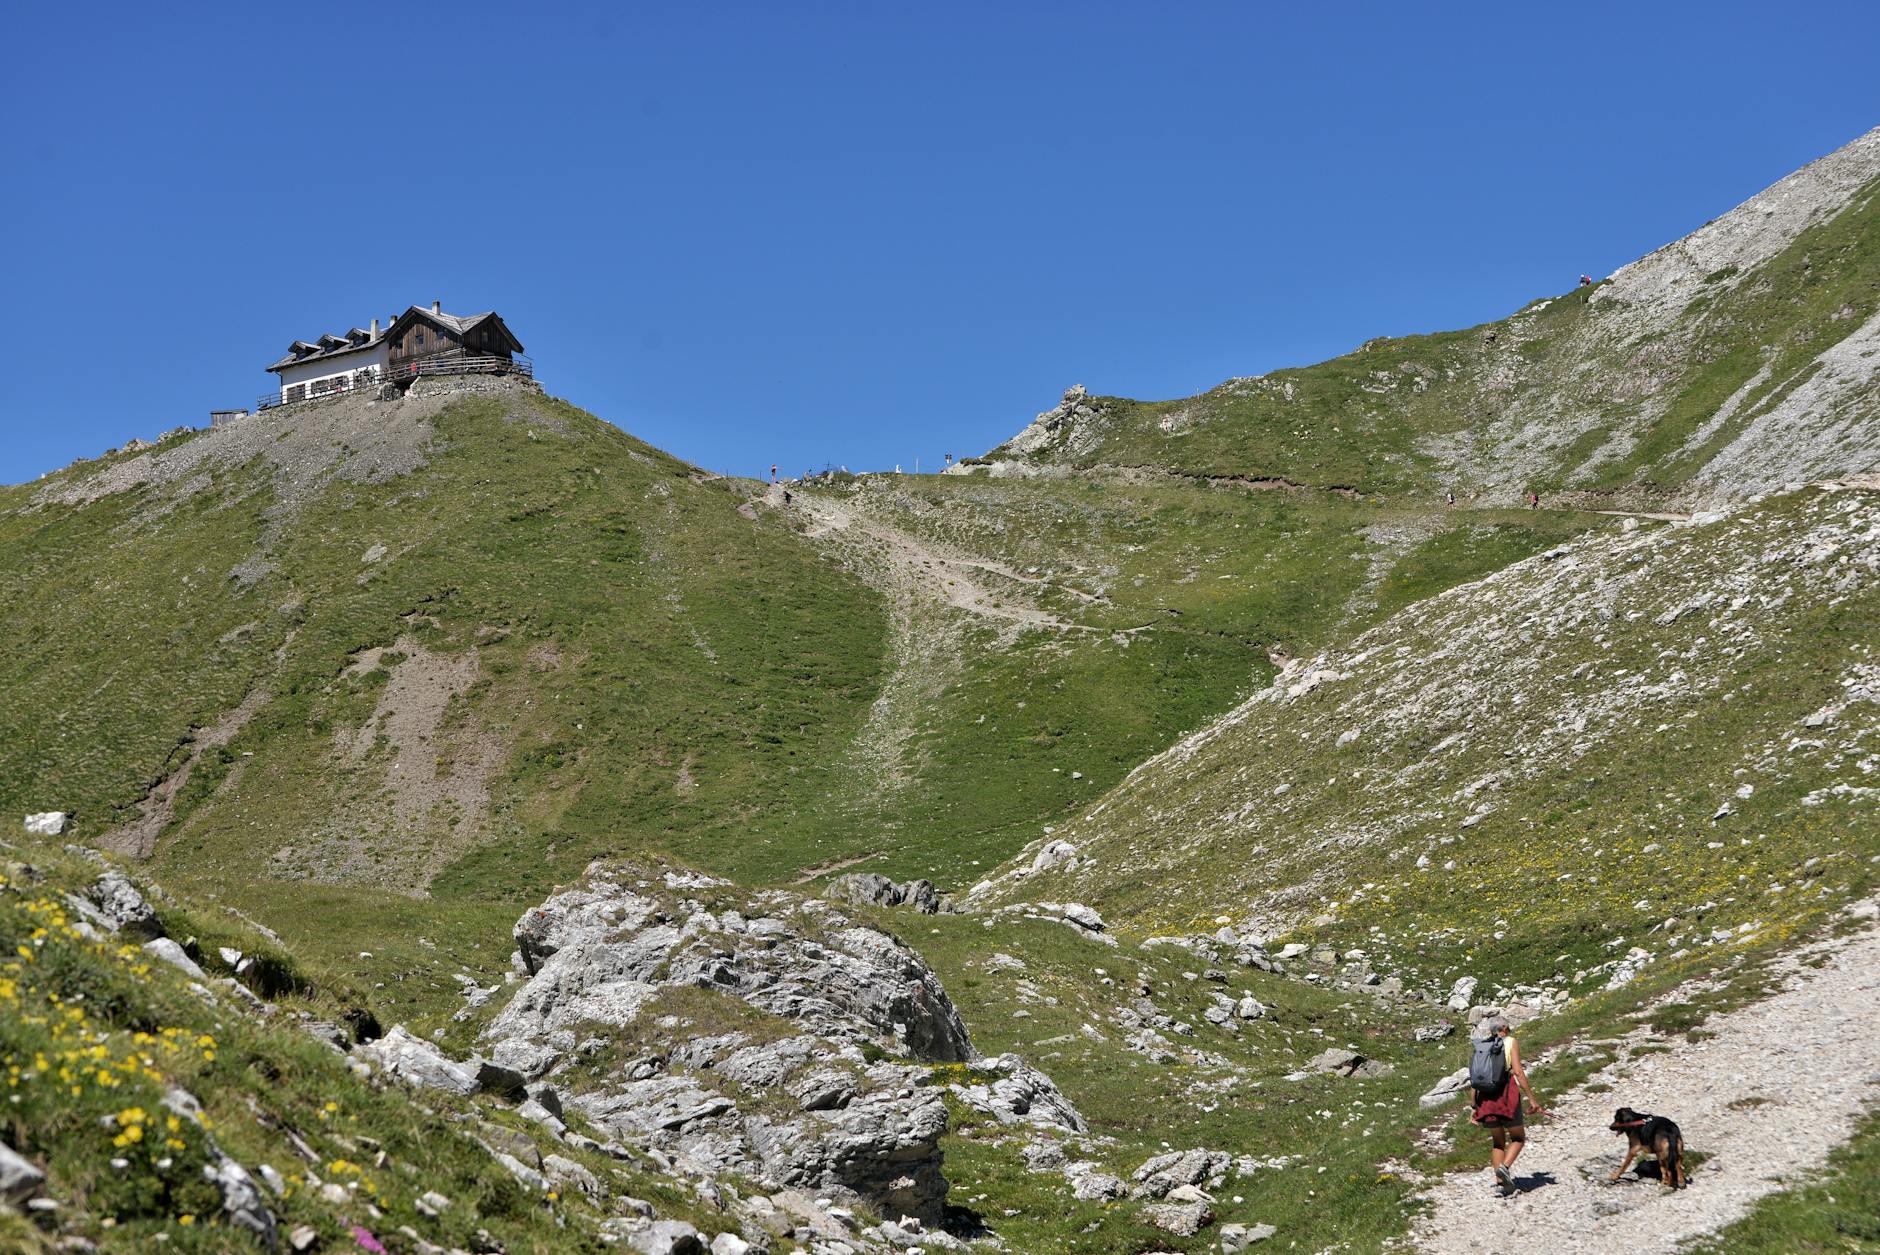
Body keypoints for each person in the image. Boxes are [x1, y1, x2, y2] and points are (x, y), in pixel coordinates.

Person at [1472, 1015, 1547, 1193]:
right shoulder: (1510, 1041)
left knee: (1498, 1142)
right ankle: (1505, 1168)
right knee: (1518, 1137)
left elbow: (1476, 1079)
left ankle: (1501, 1184)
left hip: (1485, 1098)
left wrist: (1474, 1106)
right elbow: (1519, 1072)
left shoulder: (1482, 1046)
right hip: (1506, 1095)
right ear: (1504, 1028)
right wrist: (1532, 1099)